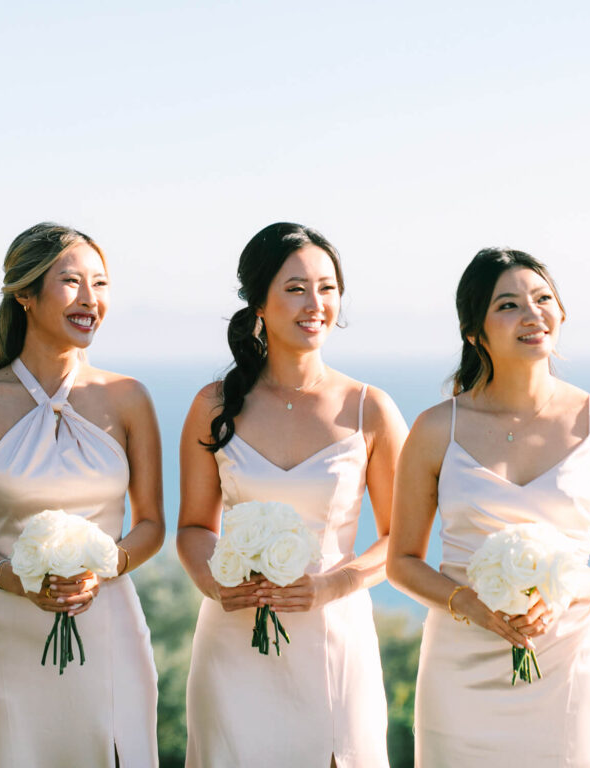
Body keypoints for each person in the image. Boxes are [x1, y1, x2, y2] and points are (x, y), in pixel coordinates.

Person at [387, 248, 590, 766]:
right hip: (459, 673)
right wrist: (469, 604)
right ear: (474, 332)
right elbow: (402, 562)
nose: (532, 314)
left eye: (543, 299)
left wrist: (568, 588)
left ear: (561, 314)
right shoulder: (438, 428)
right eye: (508, 305)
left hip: (565, 665)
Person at [177, 222, 407, 767]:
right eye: (296, 287)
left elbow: (402, 540)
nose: (316, 303)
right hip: (231, 644)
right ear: (259, 301)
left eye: (327, 288)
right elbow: (192, 528)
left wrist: (332, 585)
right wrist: (213, 581)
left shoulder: (368, 408)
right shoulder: (214, 405)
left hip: (333, 642)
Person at [0, 222, 164, 766]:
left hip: (111, 635)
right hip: (8, 641)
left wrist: (102, 568)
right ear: (25, 294)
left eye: (101, 284)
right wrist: (13, 578)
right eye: (71, 282)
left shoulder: (129, 398)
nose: (90, 299)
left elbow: (153, 523)